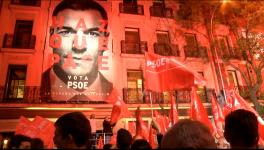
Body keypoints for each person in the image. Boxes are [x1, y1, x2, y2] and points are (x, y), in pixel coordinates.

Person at [41, 0, 113, 103]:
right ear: (52, 35)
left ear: (105, 40)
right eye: (66, 32)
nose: (79, 46)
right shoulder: (38, 87)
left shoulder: (113, 93)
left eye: (93, 34)